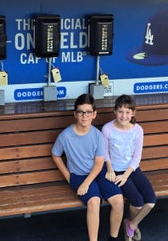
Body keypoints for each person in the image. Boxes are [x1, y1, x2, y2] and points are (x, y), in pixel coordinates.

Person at [52, 93, 124, 241]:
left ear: (94, 114)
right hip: (78, 175)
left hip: (97, 172)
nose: (84, 116)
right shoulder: (65, 136)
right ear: (75, 114)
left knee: (118, 200)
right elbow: (55, 155)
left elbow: (99, 164)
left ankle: (114, 238)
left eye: (88, 112)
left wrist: (86, 184)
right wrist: (68, 177)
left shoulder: (97, 135)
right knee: (94, 202)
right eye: (80, 112)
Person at [102, 94, 156, 241]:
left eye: (127, 112)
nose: (123, 115)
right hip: (116, 170)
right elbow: (104, 151)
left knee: (150, 201)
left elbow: (137, 156)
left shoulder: (138, 130)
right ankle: (129, 228)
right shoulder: (107, 129)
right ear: (114, 111)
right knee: (137, 202)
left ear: (133, 113)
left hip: (131, 170)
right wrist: (110, 169)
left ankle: (131, 225)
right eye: (120, 111)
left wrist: (126, 174)